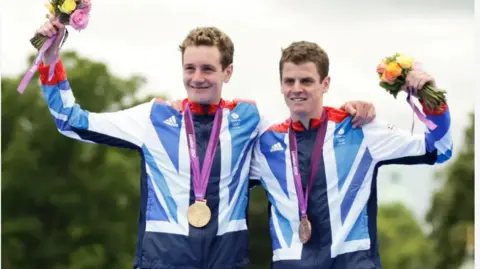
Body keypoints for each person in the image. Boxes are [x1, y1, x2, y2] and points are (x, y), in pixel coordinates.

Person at [34, 17, 376, 269]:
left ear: (227, 72)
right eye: (190, 68)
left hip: (227, 260)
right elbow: (71, 120)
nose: (197, 78)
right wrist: (51, 61)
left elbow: (297, 143)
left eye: (208, 69)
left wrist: (347, 112)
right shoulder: (153, 118)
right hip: (163, 260)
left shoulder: (247, 119)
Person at [250, 41, 453, 269]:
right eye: (289, 81)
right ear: (281, 85)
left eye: (306, 80)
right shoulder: (265, 145)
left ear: (325, 84)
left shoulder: (359, 128)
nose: (297, 88)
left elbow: (440, 149)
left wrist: (429, 97)